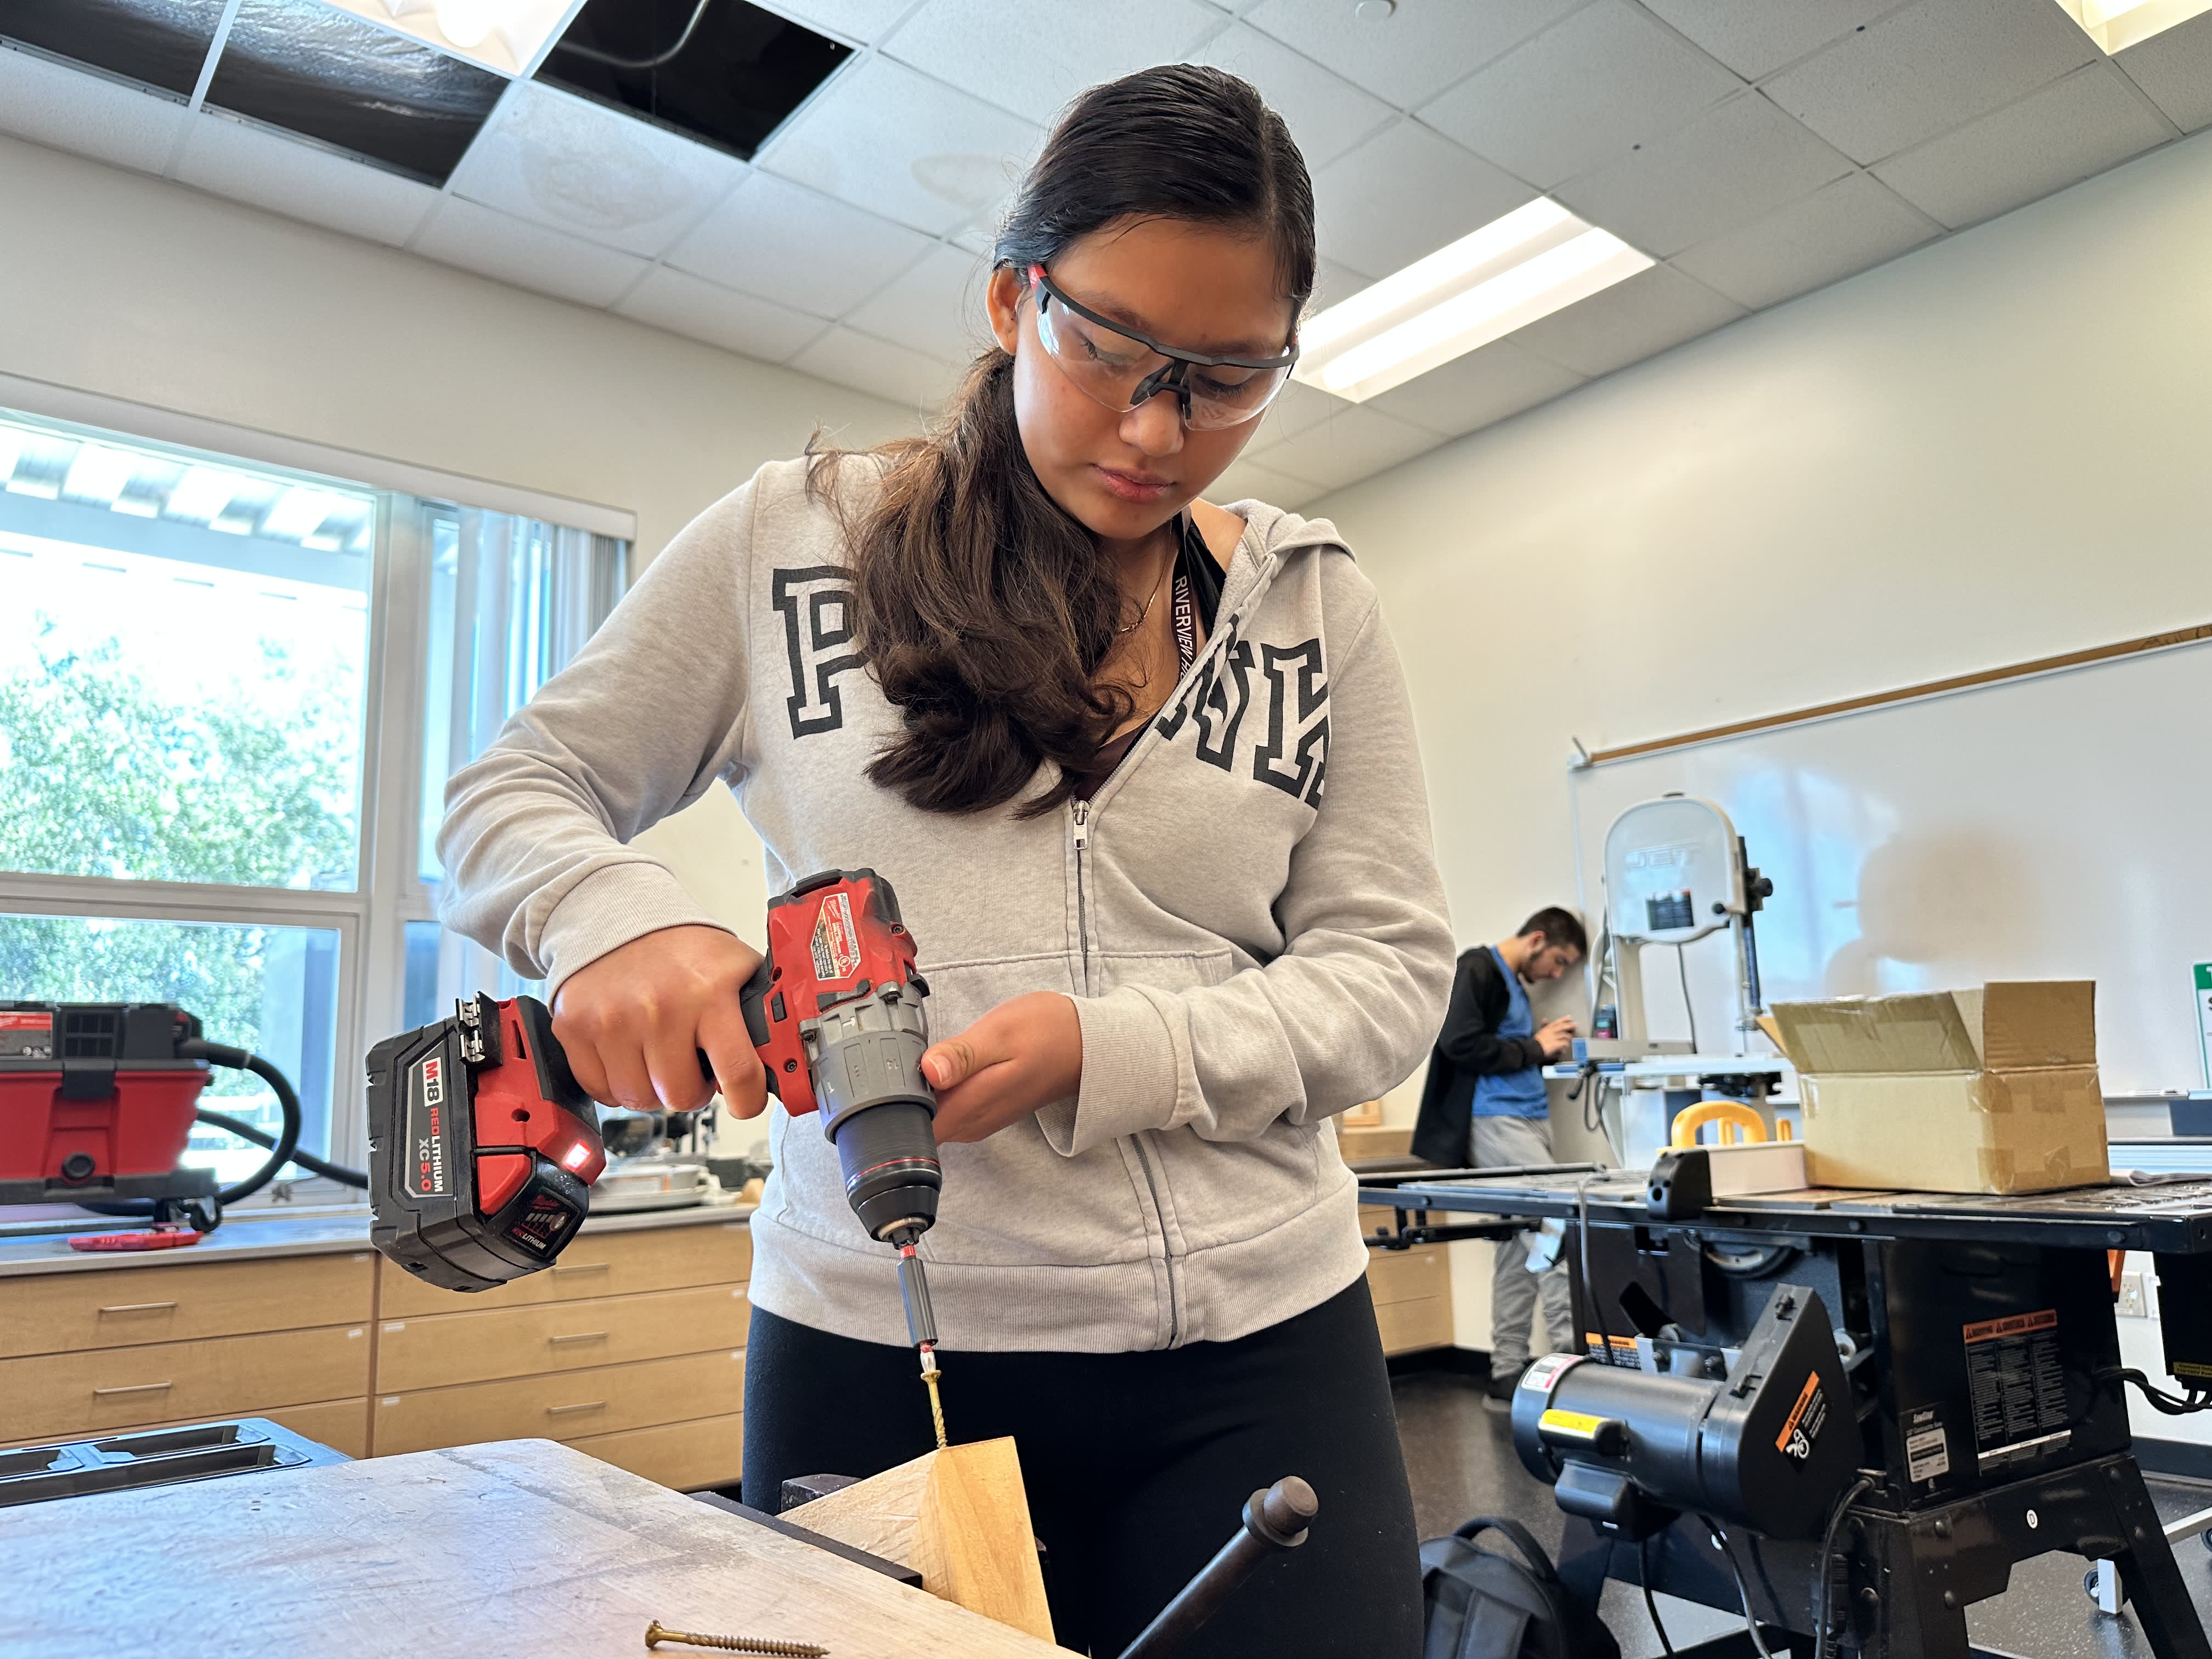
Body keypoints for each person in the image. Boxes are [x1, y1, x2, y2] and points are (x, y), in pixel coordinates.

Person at [436, 65, 1453, 1659]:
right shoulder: (793, 542)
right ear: (1010, 296)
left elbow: (1386, 982)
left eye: (1229, 378)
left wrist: (1106, 1050)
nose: (1154, 428)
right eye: (1107, 348)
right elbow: (513, 790)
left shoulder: (1318, 610)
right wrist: (609, 921)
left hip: (1264, 1350)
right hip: (880, 1350)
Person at [1410, 908, 1587, 1401]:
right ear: (1535, 940)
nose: (1556, 974)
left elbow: (1499, 1047)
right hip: (1498, 1123)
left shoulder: (1512, 984)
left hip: (1526, 1121)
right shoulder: (1477, 969)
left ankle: (1506, 1372)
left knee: (1518, 1244)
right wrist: (1533, 1047)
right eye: (1557, 961)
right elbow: (1459, 1043)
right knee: (1555, 1232)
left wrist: (1536, 1048)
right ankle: (1575, 1372)